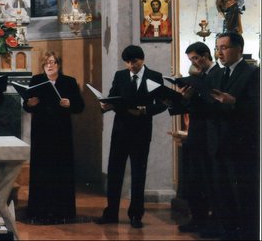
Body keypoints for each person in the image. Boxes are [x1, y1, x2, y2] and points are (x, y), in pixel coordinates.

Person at [96, 45, 166, 229]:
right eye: (127, 62)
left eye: (134, 62)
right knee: (114, 173)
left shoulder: (154, 76)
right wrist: (106, 106)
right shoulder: (120, 76)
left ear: (142, 59)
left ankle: (136, 215)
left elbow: (163, 103)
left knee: (138, 174)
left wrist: (145, 110)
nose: (130, 66)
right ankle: (111, 213)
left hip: (141, 132)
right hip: (120, 131)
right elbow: (113, 97)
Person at [204, 32, 259, 240]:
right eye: (217, 48)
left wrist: (234, 102)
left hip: (240, 144)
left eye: (224, 48)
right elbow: (208, 105)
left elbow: (257, 108)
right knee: (222, 192)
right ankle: (227, 231)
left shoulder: (253, 73)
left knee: (242, 193)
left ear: (239, 49)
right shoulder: (216, 74)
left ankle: (246, 233)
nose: (219, 53)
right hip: (217, 143)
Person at [23, 51, 85, 223]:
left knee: (61, 170)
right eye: (46, 63)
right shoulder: (36, 81)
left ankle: (62, 211)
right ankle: (39, 210)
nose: (49, 65)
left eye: (53, 62)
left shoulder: (69, 82)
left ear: (59, 64)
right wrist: (29, 103)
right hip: (41, 133)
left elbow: (80, 106)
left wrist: (69, 103)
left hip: (61, 133)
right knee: (41, 170)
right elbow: (26, 105)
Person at [172, 42, 220, 234]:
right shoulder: (199, 77)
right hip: (196, 133)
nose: (194, 62)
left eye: (195, 58)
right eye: (191, 59)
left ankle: (213, 223)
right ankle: (197, 219)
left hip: (210, 135)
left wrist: (198, 92)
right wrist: (184, 98)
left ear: (206, 55)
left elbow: (215, 104)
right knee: (195, 180)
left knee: (210, 181)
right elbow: (193, 107)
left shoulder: (218, 74)